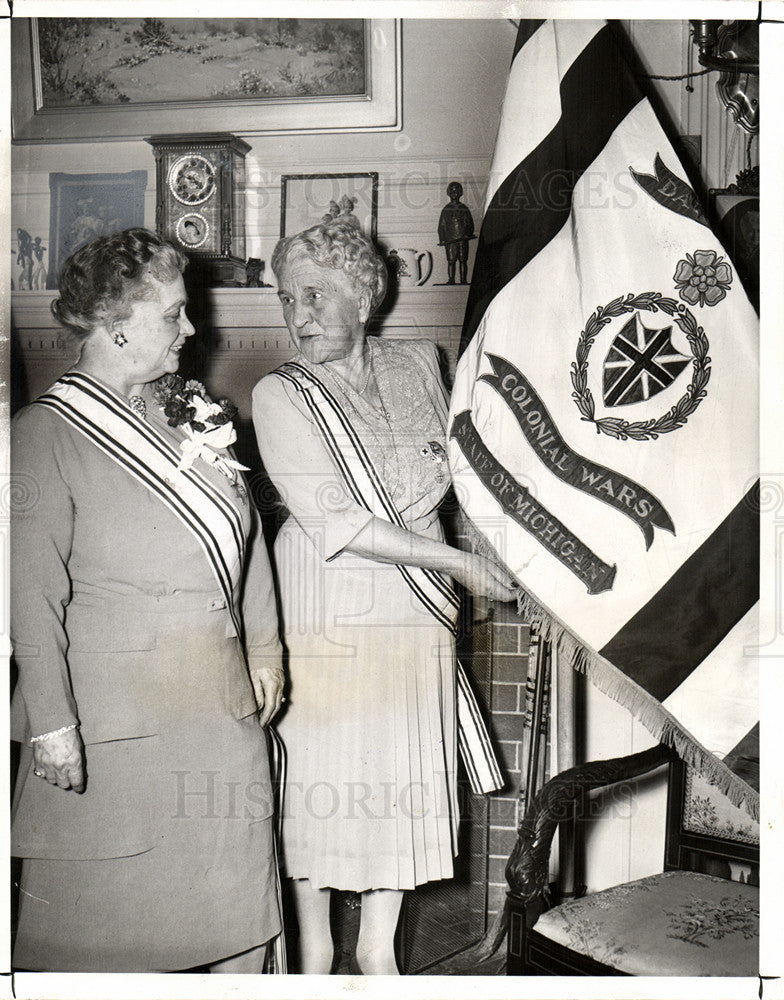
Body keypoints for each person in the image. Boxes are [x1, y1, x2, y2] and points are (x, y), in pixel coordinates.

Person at [11, 228, 285, 973]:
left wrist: (265, 648)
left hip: (219, 720)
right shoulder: (40, 439)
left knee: (238, 928)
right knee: (111, 947)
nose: (193, 330)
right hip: (115, 735)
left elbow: (249, 536)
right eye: (174, 314)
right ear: (117, 324)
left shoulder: (189, 416)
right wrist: (53, 725)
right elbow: (27, 595)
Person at [252, 220, 516, 975]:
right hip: (327, 603)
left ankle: (377, 958)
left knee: (396, 779)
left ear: (363, 296)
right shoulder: (280, 393)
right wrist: (457, 566)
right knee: (325, 780)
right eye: (285, 298)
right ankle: (312, 956)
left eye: (314, 293)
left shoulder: (420, 362)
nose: (298, 313)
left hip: (414, 612)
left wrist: (505, 548)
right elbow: (336, 517)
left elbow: (465, 472)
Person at [437, 181, 474, 284]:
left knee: (463, 260)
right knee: (451, 261)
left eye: (457, 191)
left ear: (460, 192)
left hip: (463, 239)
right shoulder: (446, 210)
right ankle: (451, 279)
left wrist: (468, 233)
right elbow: (441, 226)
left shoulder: (464, 209)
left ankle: (463, 280)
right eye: (452, 191)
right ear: (448, 193)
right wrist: (442, 239)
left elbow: (469, 224)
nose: (454, 193)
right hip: (450, 240)